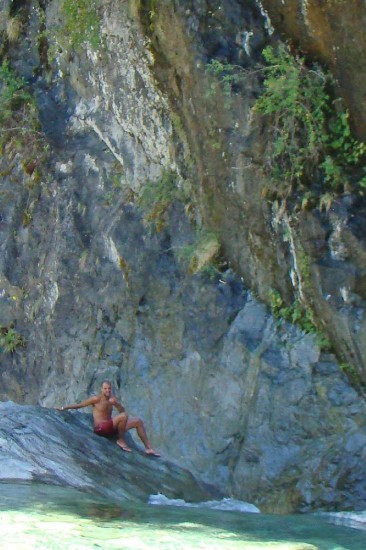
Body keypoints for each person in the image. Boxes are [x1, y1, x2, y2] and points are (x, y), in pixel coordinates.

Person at [57, 380, 160, 456]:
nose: (107, 390)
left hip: (110, 427)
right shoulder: (96, 399)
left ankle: (149, 448)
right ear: (101, 389)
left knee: (138, 421)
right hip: (100, 428)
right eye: (105, 388)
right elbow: (79, 405)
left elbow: (122, 412)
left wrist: (117, 404)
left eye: (109, 388)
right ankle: (121, 440)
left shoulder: (112, 400)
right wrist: (63, 408)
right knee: (123, 417)